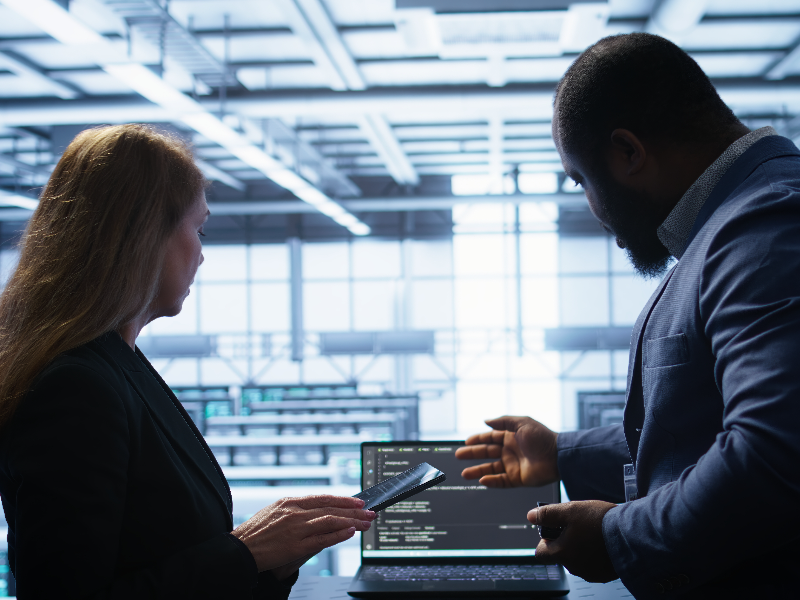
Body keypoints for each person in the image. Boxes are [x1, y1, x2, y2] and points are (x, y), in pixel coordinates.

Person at [456, 33, 800, 599]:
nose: (592, 208)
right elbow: (699, 430)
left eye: (580, 179)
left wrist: (619, 534)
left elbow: (774, 456)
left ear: (628, 152)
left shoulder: (766, 227)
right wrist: (560, 454)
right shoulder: (730, 228)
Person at [0, 124, 375, 598]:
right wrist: (248, 552)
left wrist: (274, 557)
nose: (201, 253)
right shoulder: (75, 387)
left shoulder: (117, 364)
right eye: (197, 229)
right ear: (142, 235)